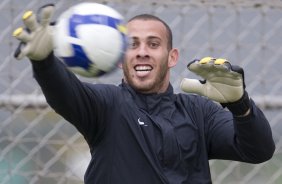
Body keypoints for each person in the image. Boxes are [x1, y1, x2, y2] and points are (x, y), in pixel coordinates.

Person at [13, 4, 275, 184]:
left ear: (172, 57)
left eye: (153, 44)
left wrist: (240, 106)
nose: (142, 51)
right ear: (119, 58)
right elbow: (65, 93)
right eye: (132, 44)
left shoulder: (199, 112)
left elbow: (259, 150)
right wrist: (44, 61)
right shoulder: (107, 106)